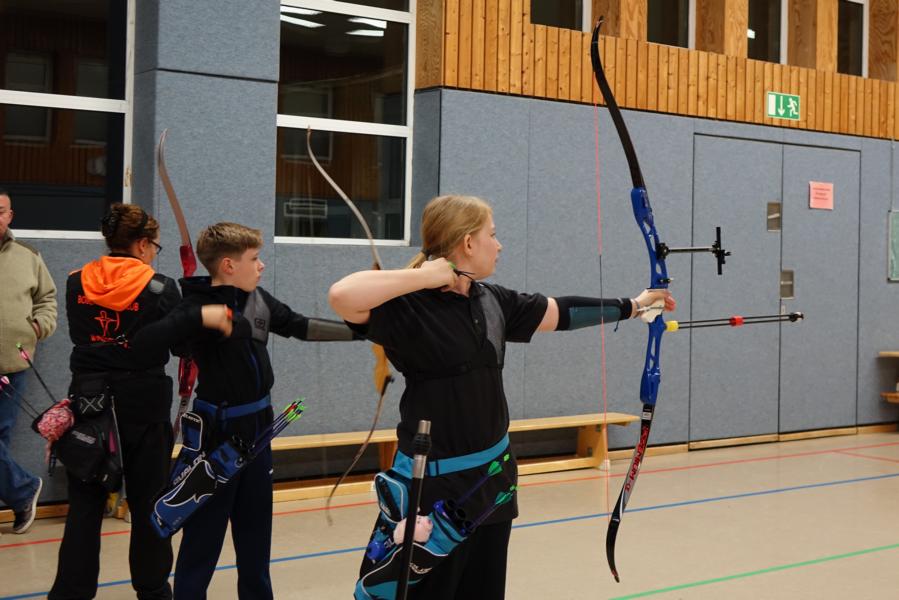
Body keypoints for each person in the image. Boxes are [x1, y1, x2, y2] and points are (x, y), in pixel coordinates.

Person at [328, 194, 676, 599]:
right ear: (467, 243)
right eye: (491, 235)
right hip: (433, 490)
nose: (499, 244)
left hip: (493, 482)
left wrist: (634, 306)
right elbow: (342, 295)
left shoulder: (491, 300)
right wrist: (426, 276)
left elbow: (561, 312)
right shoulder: (409, 308)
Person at [130, 222, 362, 600]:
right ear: (228, 265)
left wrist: (361, 332)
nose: (261, 265)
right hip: (216, 433)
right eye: (254, 258)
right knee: (202, 540)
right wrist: (199, 318)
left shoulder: (257, 301)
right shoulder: (195, 306)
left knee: (255, 538)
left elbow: (301, 326)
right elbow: (142, 344)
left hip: (258, 427)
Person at [49, 203, 181, 600]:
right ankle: (153, 589)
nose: (155, 252)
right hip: (143, 405)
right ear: (141, 244)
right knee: (149, 500)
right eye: (154, 246)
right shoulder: (161, 288)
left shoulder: (76, 282)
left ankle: (70, 594)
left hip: (90, 403)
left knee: (85, 502)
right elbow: (181, 344)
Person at [0, 188, 57, 536]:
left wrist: (38, 327)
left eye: (0, 211)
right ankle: (22, 491)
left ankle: (21, 496)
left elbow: (47, 300)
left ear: (10, 216)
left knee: (1, 438)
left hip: (12, 363)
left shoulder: (28, 256)